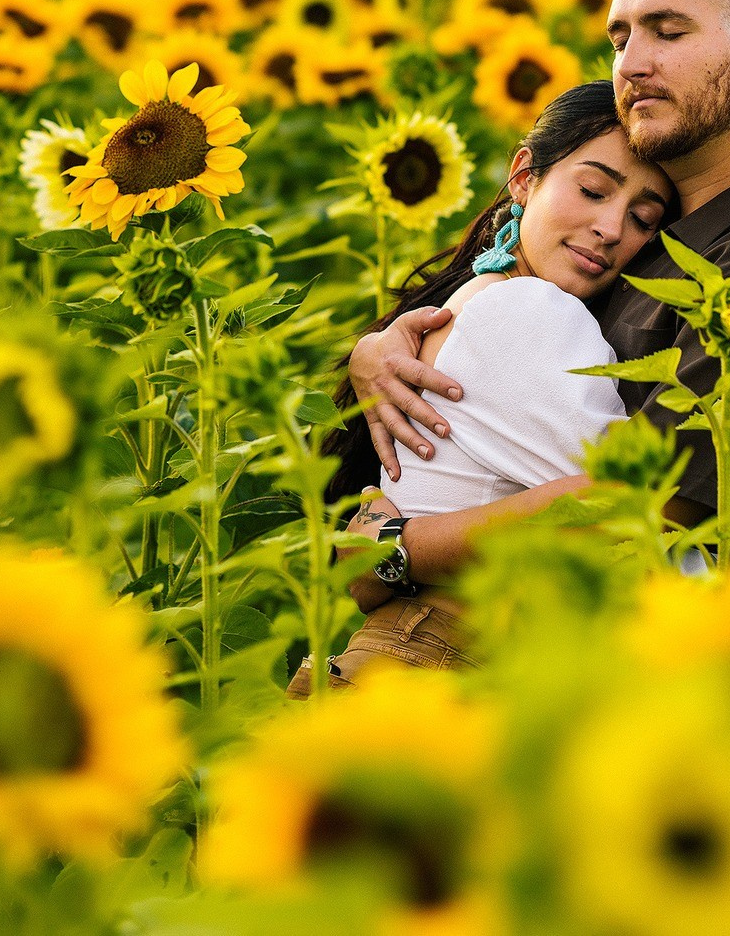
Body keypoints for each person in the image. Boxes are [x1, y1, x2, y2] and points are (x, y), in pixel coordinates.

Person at [323, 0, 730, 676]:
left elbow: (650, 513)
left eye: (668, 31)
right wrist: (386, 347)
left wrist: (396, 551)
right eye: (621, 37)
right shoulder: (663, 229)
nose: (633, 63)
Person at [286, 81, 674, 696]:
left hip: (412, 658)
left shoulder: (475, 300)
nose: (609, 228)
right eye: (593, 190)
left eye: (643, 219)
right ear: (524, 176)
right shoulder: (533, 311)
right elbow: (644, 505)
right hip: (442, 663)